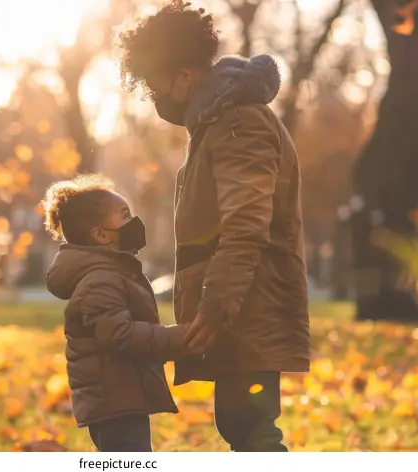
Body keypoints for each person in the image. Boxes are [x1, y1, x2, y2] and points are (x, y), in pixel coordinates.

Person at [118, 1, 310, 452]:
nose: (153, 96)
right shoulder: (217, 124)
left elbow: (245, 225)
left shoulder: (238, 123)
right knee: (240, 424)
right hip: (241, 303)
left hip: (249, 304)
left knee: (250, 426)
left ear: (184, 77)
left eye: (154, 84)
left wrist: (217, 303)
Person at [43, 175, 196, 452]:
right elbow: (120, 335)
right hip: (114, 402)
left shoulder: (111, 273)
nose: (133, 222)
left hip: (120, 397)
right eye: (125, 215)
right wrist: (181, 338)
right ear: (100, 234)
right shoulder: (100, 279)